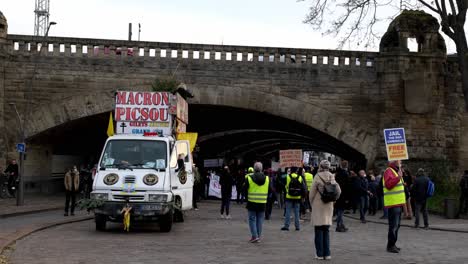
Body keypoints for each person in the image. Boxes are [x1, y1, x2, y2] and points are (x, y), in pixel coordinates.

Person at [310, 160, 341, 260]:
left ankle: (319, 254)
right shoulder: (332, 176)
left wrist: (312, 203)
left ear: (320, 166)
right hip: (328, 205)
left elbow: (312, 193)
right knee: (326, 230)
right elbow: (339, 190)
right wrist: (334, 199)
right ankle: (327, 254)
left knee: (318, 230)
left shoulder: (317, 176)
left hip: (318, 205)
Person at [383, 160, 406, 253]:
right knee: (393, 226)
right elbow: (388, 185)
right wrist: (399, 178)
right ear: (394, 161)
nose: (400, 161)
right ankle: (390, 246)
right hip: (393, 203)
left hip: (398, 203)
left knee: (397, 225)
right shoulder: (389, 171)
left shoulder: (396, 171)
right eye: (399, 160)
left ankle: (393, 244)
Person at [243, 162, 269, 243]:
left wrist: (246, 197)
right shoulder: (267, 178)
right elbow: (271, 189)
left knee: (252, 219)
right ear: (261, 169)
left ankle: (255, 236)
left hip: (252, 202)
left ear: (254, 169)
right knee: (260, 220)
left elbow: (243, 189)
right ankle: (258, 236)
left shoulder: (249, 178)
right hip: (262, 202)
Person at [281, 167, 304, 231]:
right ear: (296, 170)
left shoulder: (287, 177)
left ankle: (286, 226)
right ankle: (297, 226)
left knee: (288, 212)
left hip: (289, 196)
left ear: (290, 170)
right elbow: (303, 187)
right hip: (297, 197)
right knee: (297, 212)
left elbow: (282, 183)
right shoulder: (300, 177)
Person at [335, 160, 350, 232]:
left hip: (338, 194)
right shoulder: (345, 174)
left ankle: (341, 224)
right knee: (341, 211)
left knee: (339, 210)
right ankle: (339, 225)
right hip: (343, 195)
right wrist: (347, 197)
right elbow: (347, 187)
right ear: (346, 166)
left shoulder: (338, 173)